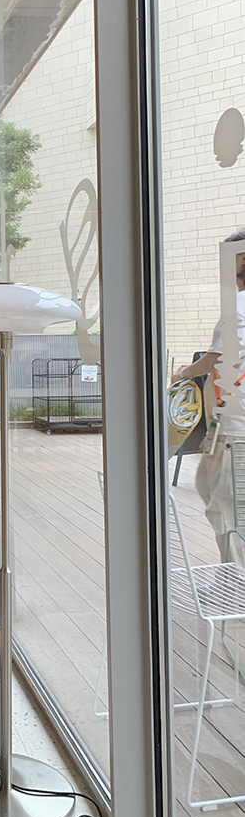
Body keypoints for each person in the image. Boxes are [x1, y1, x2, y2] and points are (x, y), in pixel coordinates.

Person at [171, 230, 245, 568]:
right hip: (226, 425)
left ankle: (236, 581)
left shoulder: (239, 308)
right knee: (208, 487)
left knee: (226, 507)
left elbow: (216, 358)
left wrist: (185, 373)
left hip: (236, 428)